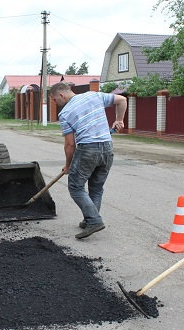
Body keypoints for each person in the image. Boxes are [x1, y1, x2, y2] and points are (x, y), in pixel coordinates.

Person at [48, 82, 127, 239]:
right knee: (96, 188)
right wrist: (119, 120)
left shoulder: (65, 114)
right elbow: (122, 100)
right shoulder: (95, 95)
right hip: (107, 149)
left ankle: (94, 220)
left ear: (61, 95)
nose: (55, 104)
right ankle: (89, 218)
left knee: (75, 187)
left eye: (55, 100)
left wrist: (68, 165)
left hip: (88, 150)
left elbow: (70, 145)